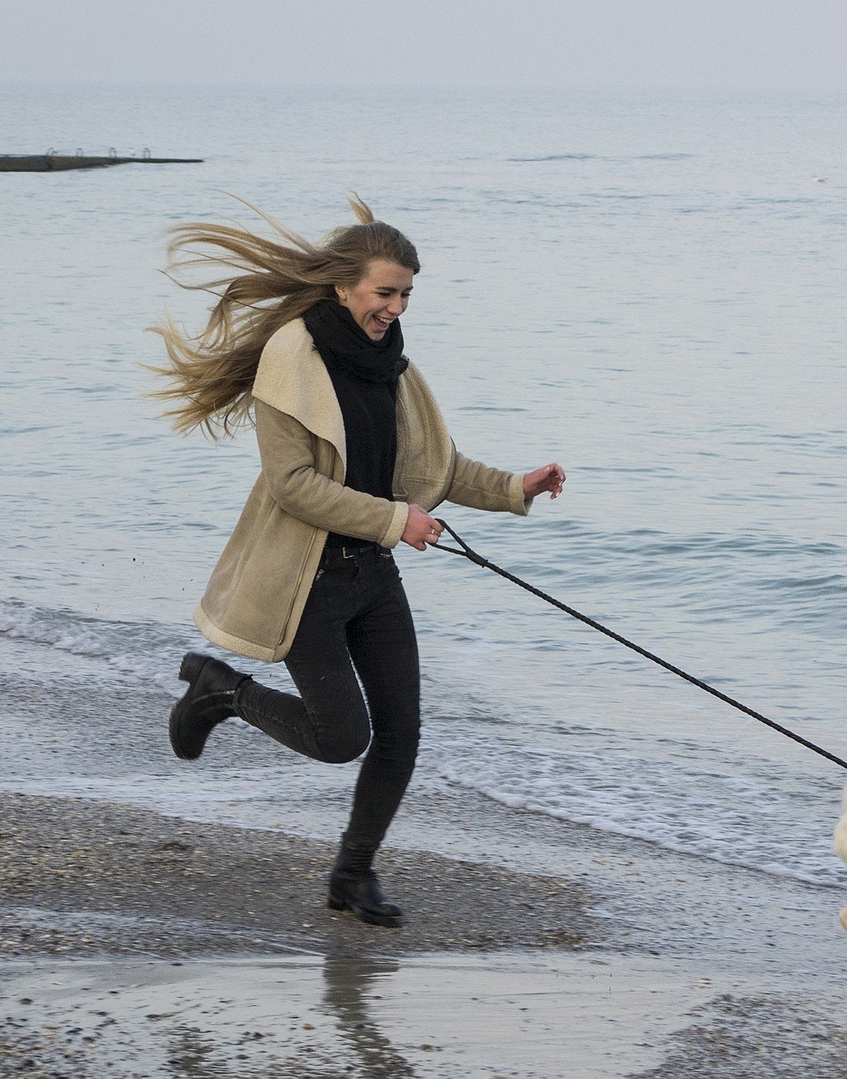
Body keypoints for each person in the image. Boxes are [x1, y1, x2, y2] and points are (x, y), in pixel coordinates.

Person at [149, 196, 565, 927]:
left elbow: (434, 467)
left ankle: (353, 873)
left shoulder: (391, 365)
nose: (395, 308)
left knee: (402, 730)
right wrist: (395, 520)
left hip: (371, 574)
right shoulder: (290, 359)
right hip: (306, 580)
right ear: (344, 285)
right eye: (384, 292)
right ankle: (221, 692)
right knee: (342, 737)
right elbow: (293, 485)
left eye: (406, 295)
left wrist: (513, 488)